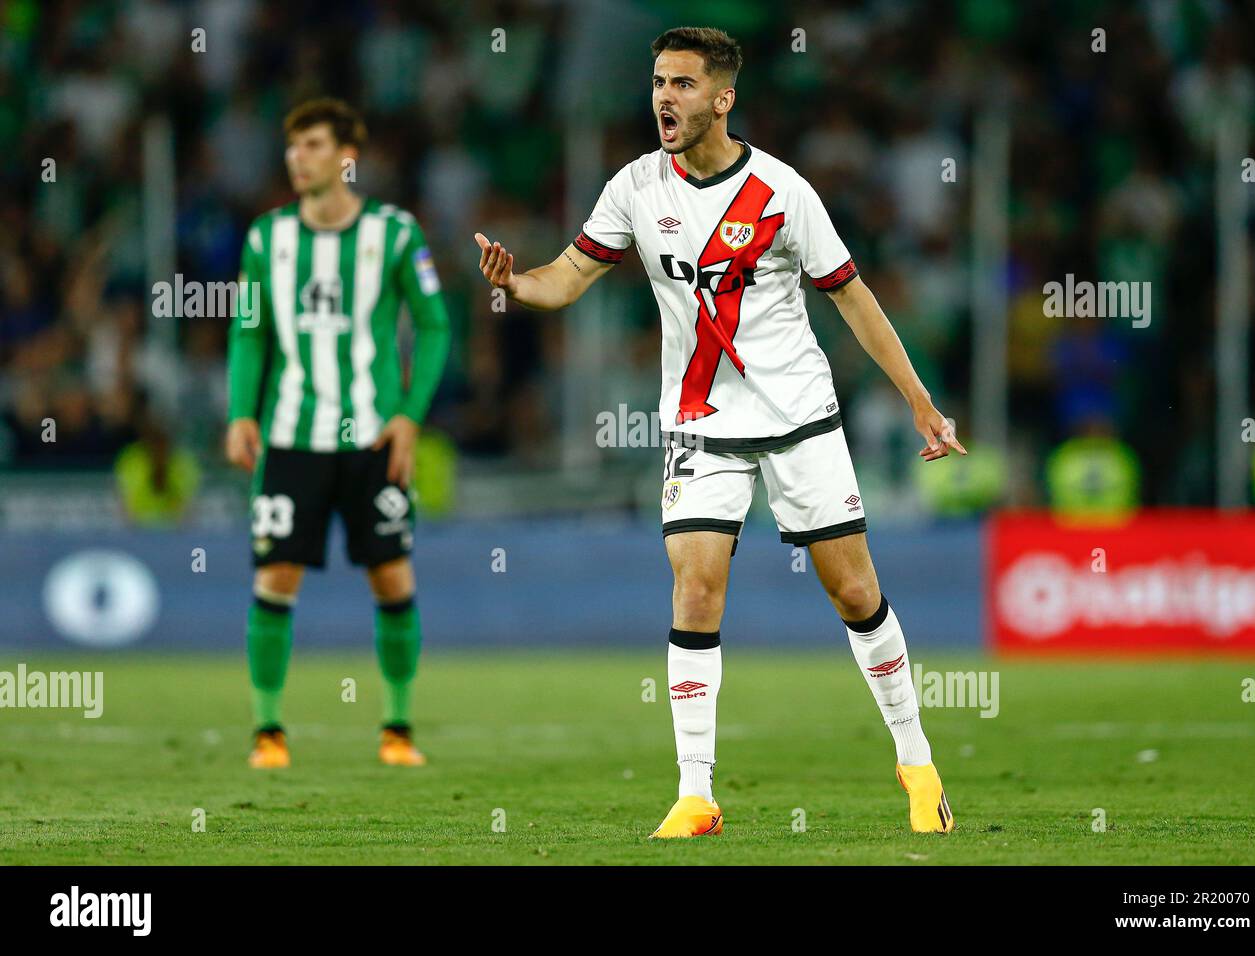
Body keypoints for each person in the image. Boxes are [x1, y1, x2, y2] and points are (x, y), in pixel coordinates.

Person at [474, 27, 964, 837]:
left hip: (799, 418)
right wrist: (516, 284)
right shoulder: (634, 187)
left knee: (853, 591)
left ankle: (917, 765)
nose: (664, 97)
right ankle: (696, 794)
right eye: (658, 81)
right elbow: (569, 276)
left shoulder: (781, 192)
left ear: (722, 98)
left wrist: (917, 398)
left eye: (683, 85)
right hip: (701, 425)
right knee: (696, 589)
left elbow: (851, 296)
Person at [225, 98, 451, 769]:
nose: (299, 157)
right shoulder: (268, 239)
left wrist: (409, 413)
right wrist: (241, 412)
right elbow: (249, 331)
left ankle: (397, 727)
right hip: (291, 436)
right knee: (276, 576)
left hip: (373, 440)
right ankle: (268, 732)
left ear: (347, 157)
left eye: (315, 145)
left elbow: (435, 325)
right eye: (293, 146)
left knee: (391, 576)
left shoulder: (396, 232)